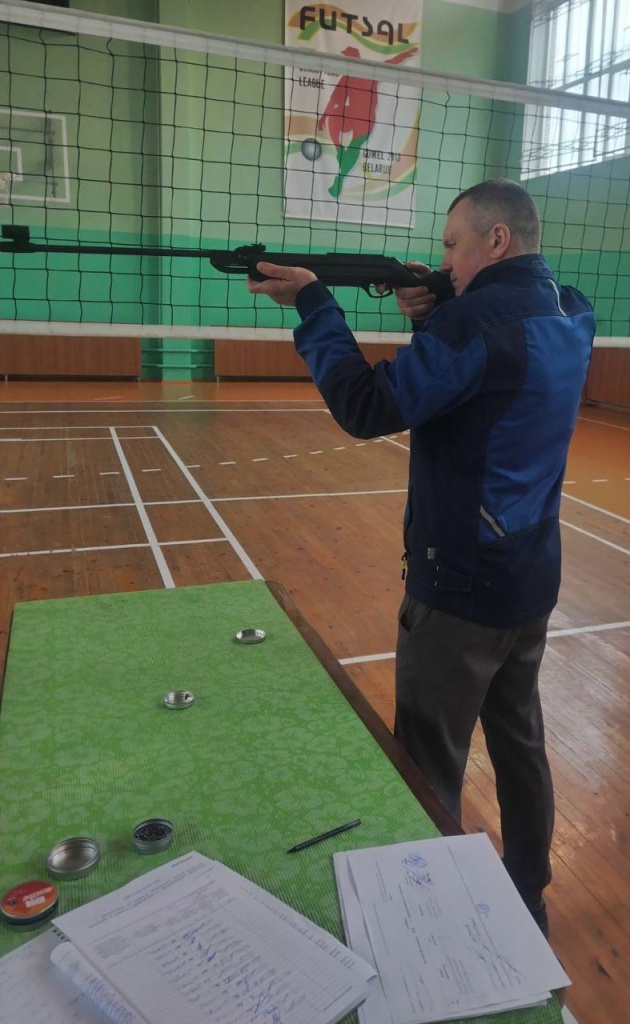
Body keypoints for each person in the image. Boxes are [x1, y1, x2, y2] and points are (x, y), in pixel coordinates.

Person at [247, 179, 595, 936]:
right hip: (530, 577)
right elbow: (499, 373)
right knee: (521, 745)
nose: (444, 261)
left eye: (451, 246)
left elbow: (366, 406)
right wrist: (436, 306)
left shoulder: (474, 321)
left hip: (460, 588)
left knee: (427, 762)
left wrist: (315, 305)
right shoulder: (573, 309)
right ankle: (527, 898)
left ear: (496, 240)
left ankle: (424, 923)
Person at [317, 45, 418, 198]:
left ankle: (340, 178)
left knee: (354, 147)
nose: (347, 60)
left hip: (366, 120)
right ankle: (339, 150)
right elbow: (334, 100)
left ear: (356, 57)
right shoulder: (347, 77)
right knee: (334, 116)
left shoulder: (371, 71)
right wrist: (324, 117)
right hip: (351, 115)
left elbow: (392, 62)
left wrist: (406, 53)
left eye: (349, 56)